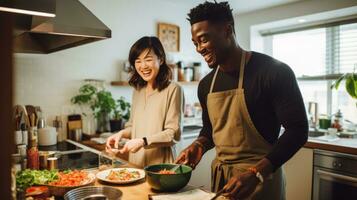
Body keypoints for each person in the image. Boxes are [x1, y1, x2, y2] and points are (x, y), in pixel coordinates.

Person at [175, 1, 308, 200]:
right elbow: (210, 130)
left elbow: (298, 130)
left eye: (203, 40)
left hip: (263, 181)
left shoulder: (273, 72)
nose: (199, 49)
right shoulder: (206, 85)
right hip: (223, 183)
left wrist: (256, 173)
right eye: (195, 43)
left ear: (227, 30)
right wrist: (199, 145)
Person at [106, 36, 184, 168]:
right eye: (138, 61)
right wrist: (120, 134)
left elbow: (173, 133)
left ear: (161, 59)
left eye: (148, 60)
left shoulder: (174, 89)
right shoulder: (137, 91)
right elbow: (133, 127)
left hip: (160, 166)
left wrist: (143, 141)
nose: (143, 66)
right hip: (135, 164)